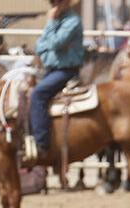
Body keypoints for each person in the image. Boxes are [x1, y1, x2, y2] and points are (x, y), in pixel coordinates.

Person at [28, 0, 84, 160]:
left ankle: (42, 144)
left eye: (59, 2)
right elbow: (40, 46)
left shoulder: (73, 21)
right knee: (28, 91)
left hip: (66, 70)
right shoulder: (57, 21)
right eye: (53, 2)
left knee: (38, 94)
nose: (55, 5)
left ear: (67, 3)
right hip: (52, 69)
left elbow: (56, 43)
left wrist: (51, 22)